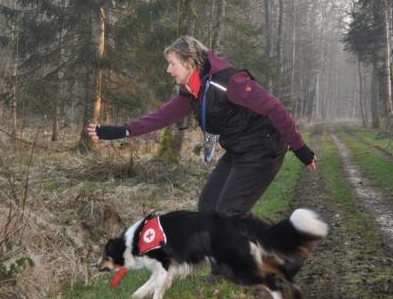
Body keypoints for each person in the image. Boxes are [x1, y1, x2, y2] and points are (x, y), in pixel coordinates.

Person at [87, 35, 317, 216]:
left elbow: (275, 108)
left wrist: (300, 148)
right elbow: (160, 117)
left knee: (228, 213)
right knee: (208, 207)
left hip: (263, 148)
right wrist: (119, 131)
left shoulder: (229, 82)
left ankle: (272, 247)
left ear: (189, 62)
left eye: (172, 64)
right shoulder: (192, 90)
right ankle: (242, 253)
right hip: (238, 150)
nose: (168, 70)